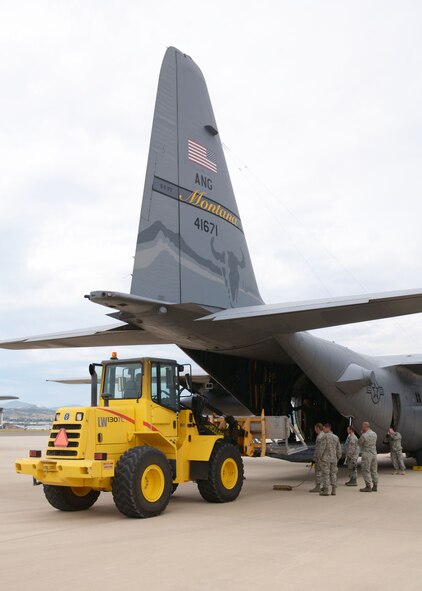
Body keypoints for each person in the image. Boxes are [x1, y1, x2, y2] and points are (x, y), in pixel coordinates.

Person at [317, 423, 342, 496]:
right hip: (334, 459)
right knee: (333, 474)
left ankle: (326, 490)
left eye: (324, 428)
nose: (323, 429)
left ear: (328, 428)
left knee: (326, 474)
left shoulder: (324, 437)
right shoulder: (336, 437)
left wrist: (319, 457)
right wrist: (338, 457)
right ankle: (334, 490)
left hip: (325, 459)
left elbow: (322, 448)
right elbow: (339, 449)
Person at [358, 421, 378, 492]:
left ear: (365, 427)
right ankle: (375, 485)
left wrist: (362, 434)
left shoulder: (364, 435)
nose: (362, 428)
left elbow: (359, 443)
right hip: (374, 454)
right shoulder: (375, 434)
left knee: (365, 470)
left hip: (367, 454)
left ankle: (368, 486)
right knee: (374, 470)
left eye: (362, 427)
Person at [309, 423, 325, 493]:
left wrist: (315, 458)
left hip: (319, 458)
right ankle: (324, 486)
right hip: (324, 457)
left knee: (318, 472)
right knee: (324, 472)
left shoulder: (319, 437)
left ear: (318, 428)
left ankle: (318, 486)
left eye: (315, 428)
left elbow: (318, 449)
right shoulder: (324, 435)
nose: (314, 429)